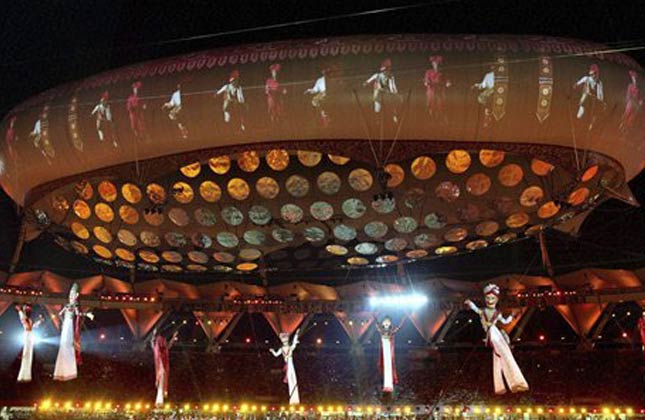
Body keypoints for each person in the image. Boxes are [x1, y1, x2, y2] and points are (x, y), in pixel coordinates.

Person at [465, 284, 529, 394]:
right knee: (504, 355)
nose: (490, 300)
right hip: (491, 334)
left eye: (493, 298)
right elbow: (476, 309)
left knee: (502, 358)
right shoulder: (484, 311)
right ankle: (511, 382)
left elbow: (505, 322)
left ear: (497, 299)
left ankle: (511, 384)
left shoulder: (497, 313)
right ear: (485, 299)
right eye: (488, 298)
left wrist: (513, 315)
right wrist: (470, 303)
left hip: (496, 333)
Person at [53, 283, 94, 381]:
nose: (71, 297)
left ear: (76, 296)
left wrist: (87, 314)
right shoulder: (67, 305)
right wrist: (61, 318)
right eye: (70, 295)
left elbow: (78, 313)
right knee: (64, 344)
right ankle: (62, 368)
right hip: (66, 324)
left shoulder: (75, 305)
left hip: (69, 324)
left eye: (73, 295)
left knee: (68, 345)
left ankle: (69, 367)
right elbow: (60, 313)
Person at [363, 58, 401, 123]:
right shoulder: (378, 75)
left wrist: (394, 92)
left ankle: (394, 116)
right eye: (386, 70)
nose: (387, 72)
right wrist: (366, 82)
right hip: (377, 91)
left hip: (385, 91)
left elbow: (392, 85)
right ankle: (377, 119)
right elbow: (371, 79)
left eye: (388, 69)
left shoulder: (391, 76)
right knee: (377, 104)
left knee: (391, 103)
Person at [374, 315, 404, 393]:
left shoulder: (392, 331)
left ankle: (389, 385)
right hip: (384, 349)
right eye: (385, 321)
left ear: (390, 323)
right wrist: (374, 315)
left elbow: (399, 327)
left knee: (389, 367)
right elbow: (376, 323)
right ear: (383, 323)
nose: (386, 323)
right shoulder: (381, 330)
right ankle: (385, 385)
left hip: (389, 349)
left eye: (388, 322)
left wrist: (403, 318)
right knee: (384, 366)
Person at [270, 329, 300, 405]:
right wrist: (273, 351)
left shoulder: (290, 347)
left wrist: (296, 335)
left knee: (292, 378)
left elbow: (294, 343)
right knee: (290, 379)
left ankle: (295, 398)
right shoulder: (282, 349)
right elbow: (276, 355)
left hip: (290, 363)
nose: (285, 342)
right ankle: (293, 398)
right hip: (288, 363)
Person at [151, 327, 179, 407]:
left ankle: (160, 399)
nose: (162, 344)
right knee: (161, 381)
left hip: (163, 366)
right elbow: (153, 343)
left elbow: (169, 345)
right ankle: (159, 400)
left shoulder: (165, 349)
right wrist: (153, 334)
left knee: (163, 381)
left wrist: (173, 337)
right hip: (160, 366)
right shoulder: (157, 348)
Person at [16, 305, 44, 382]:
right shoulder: (25, 319)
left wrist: (40, 320)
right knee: (26, 354)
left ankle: (27, 374)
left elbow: (34, 326)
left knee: (29, 354)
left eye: (29, 310)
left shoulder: (29, 319)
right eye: (27, 310)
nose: (28, 311)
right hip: (27, 335)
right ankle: (23, 375)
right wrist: (20, 311)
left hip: (30, 335)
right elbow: (23, 319)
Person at [573, 64, 605, 131]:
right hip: (585, 98)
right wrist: (576, 85)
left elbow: (600, 94)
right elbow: (577, 84)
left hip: (593, 101)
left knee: (592, 115)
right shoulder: (586, 78)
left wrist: (601, 102)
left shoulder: (599, 82)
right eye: (593, 74)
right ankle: (576, 126)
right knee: (580, 113)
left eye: (595, 74)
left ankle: (588, 129)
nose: (594, 75)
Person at [424, 55, 451, 123]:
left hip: (440, 91)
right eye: (435, 64)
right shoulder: (429, 72)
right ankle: (431, 119)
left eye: (438, 64)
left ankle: (441, 119)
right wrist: (427, 83)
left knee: (441, 105)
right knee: (431, 105)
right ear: (432, 64)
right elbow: (426, 80)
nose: (436, 65)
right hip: (432, 90)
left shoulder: (442, 72)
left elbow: (447, 80)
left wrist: (448, 83)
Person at [471, 64, 495, 128]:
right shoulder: (489, 75)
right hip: (492, 95)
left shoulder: (488, 75)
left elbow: (482, 86)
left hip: (491, 95)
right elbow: (482, 86)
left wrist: (475, 85)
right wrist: (476, 85)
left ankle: (488, 120)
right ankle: (488, 120)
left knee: (484, 100)